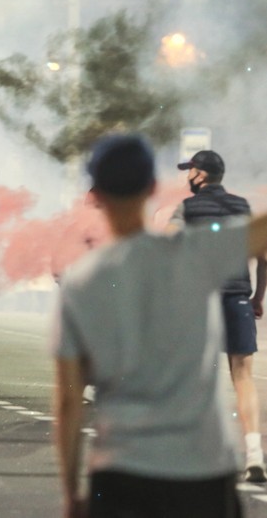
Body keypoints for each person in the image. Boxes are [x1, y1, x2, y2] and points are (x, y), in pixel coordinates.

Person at [53, 134, 267, 518]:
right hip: (203, 472)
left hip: (120, 473)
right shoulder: (195, 255)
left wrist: (71, 493)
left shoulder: (81, 284)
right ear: (152, 188)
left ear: (97, 193)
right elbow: (261, 232)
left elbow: (69, 401)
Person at [166, 149, 267, 483]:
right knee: (243, 376)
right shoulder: (242, 207)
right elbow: (264, 254)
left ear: (199, 174)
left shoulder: (188, 208)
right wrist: (257, 297)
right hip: (237, 298)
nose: (186, 177)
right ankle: (254, 454)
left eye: (189, 171)